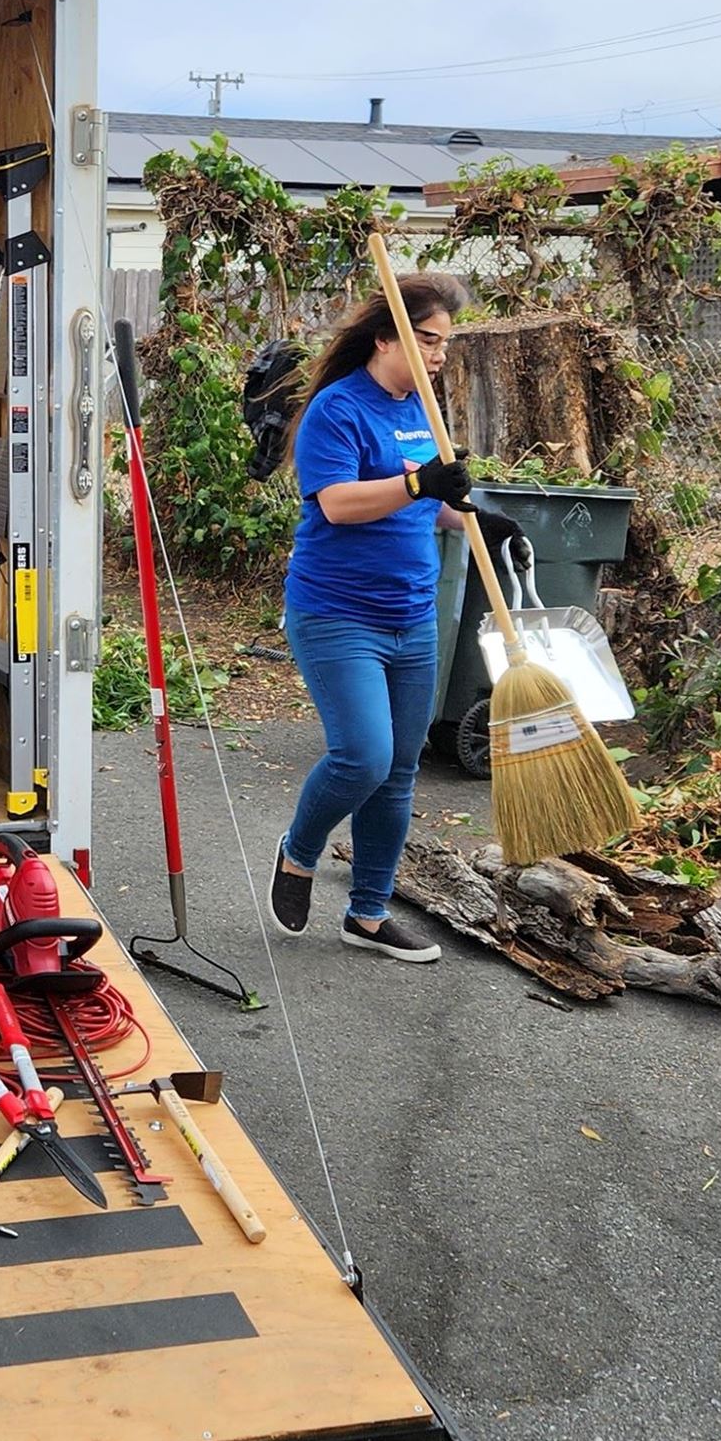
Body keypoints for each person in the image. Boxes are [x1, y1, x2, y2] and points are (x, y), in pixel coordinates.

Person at [267, 271, 474, 959]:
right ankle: (298, 851)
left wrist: (472, 512)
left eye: (446, 343)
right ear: (386, 338)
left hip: (412, 616)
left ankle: (369, 913)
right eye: (428, 340)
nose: (440, 355)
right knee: (364, 755)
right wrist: (420, 481)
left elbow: (427, 501)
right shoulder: (338, 408)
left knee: (400, 768)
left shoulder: (423, 408)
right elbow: (339, 504)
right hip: (337, 613)